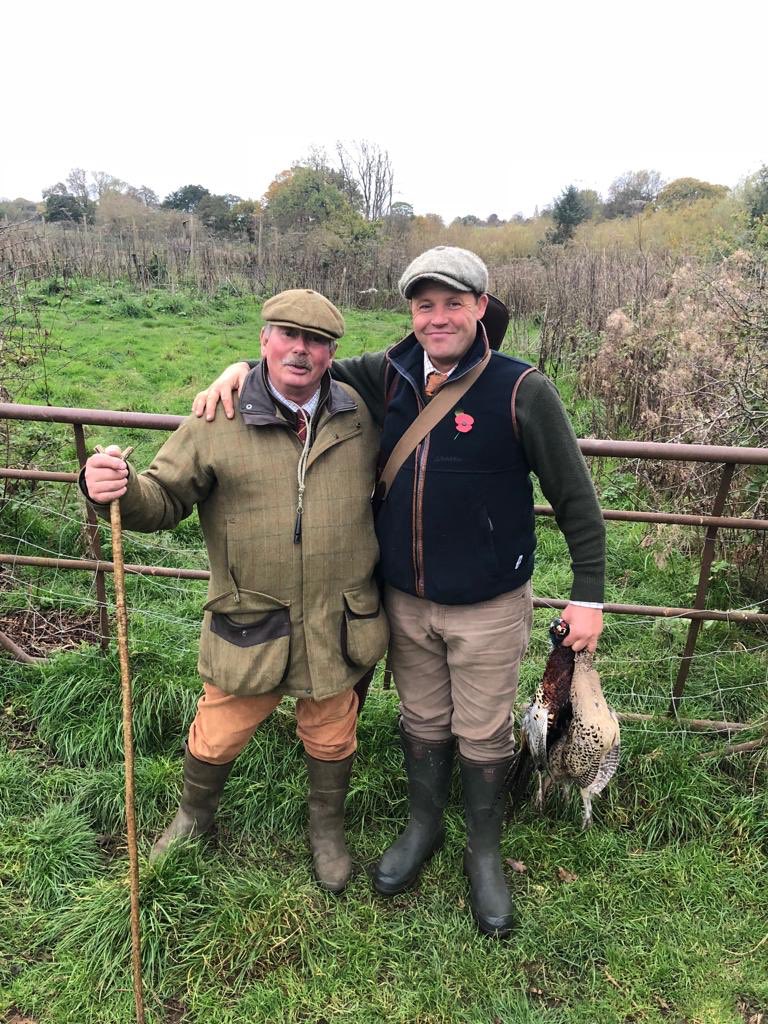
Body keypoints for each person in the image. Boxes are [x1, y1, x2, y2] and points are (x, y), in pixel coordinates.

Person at [193, 247, 605, 936]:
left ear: (480, 307)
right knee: (421, 720)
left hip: (489, 604)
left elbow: (576, 501)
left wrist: (587, 594)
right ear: (410, 313)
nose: (437, 317)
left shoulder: (521, 389)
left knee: (481, 730)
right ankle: (422, 831)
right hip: (403, 600)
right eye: (424, 305)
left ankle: (484, 854)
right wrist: (239, 370)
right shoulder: (385, 375)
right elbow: (302, 371)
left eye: (452, 303)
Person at [81, 288, 388, 893]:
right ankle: (194, 816)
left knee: (332, 730)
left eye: (318, 341)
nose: (301, 351)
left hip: (338, 619)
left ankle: (326, 827)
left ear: (332, 353)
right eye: (288, 336)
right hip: (252, 621)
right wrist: (113, 488)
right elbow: (163, 498)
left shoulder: (362, 413)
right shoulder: (215, 419)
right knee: (218, 730)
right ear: (264, 341)